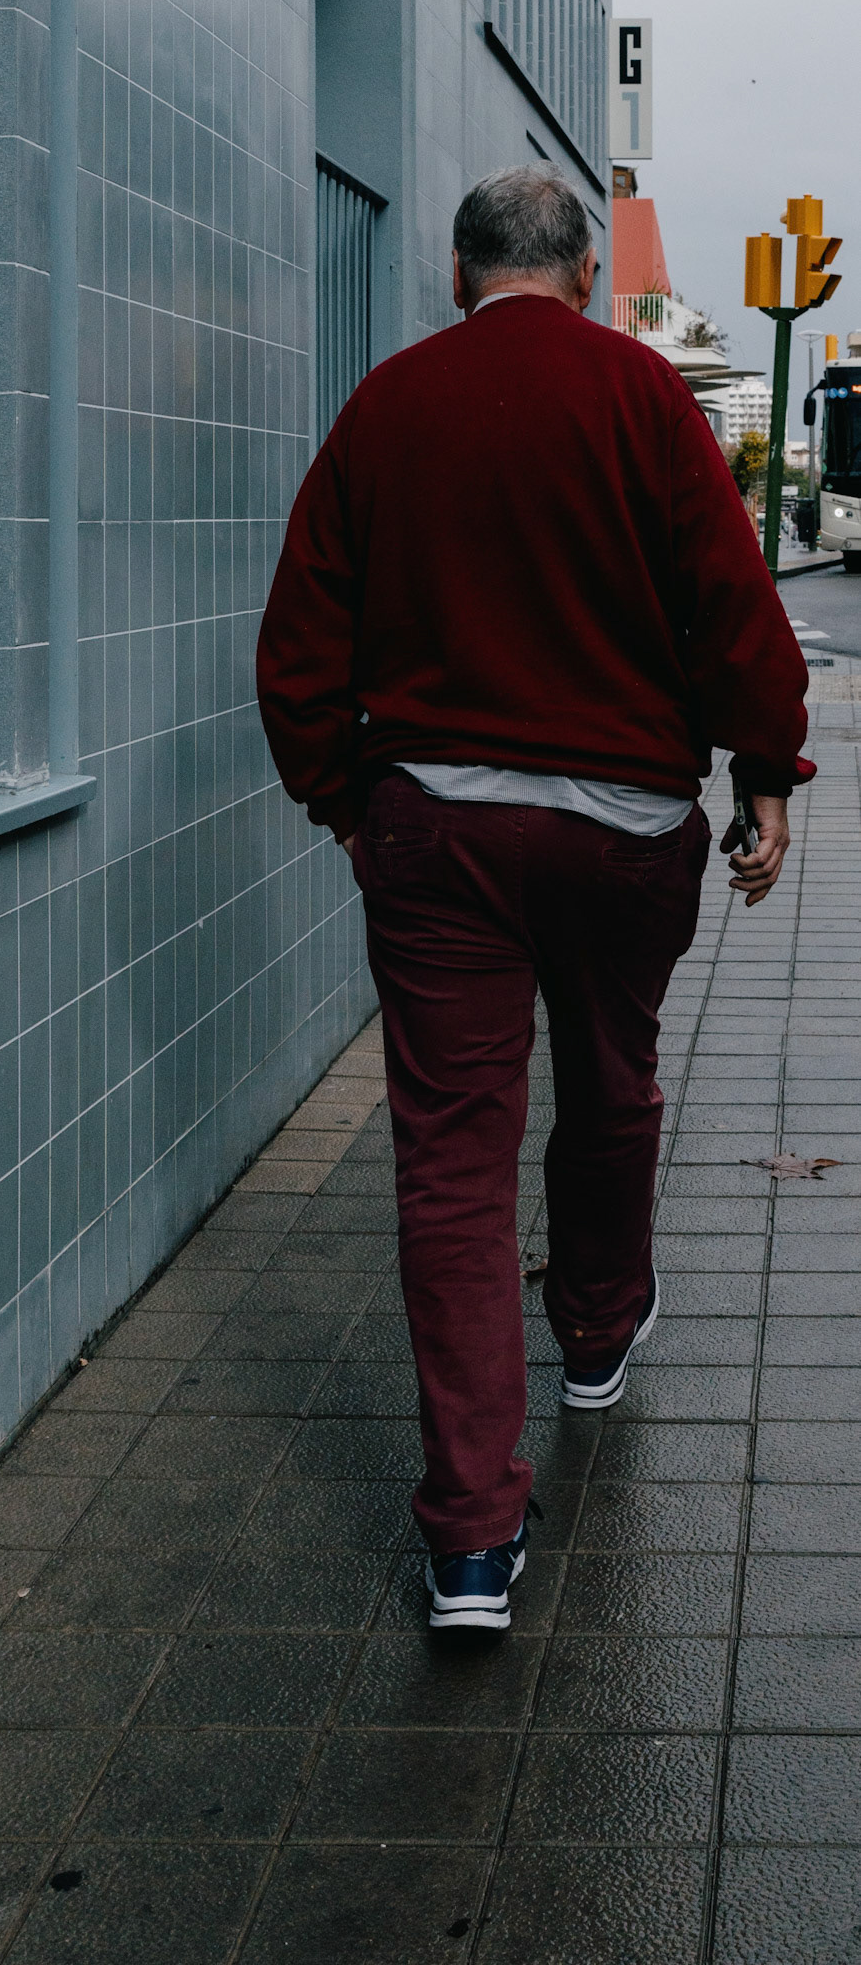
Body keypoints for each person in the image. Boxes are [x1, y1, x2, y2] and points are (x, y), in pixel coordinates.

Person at [256, 165, 813, 1630]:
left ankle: (467, 1542)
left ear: (457, 276)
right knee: (610, 1082)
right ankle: (594, 1331)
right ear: (580, 276)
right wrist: (763, 770)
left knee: (448, 1152)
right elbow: (734, 606)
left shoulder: (389, 406)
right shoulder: (645, 403)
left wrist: (341, 794)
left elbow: (302, 627)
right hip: (621, 827)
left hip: (434, 823)